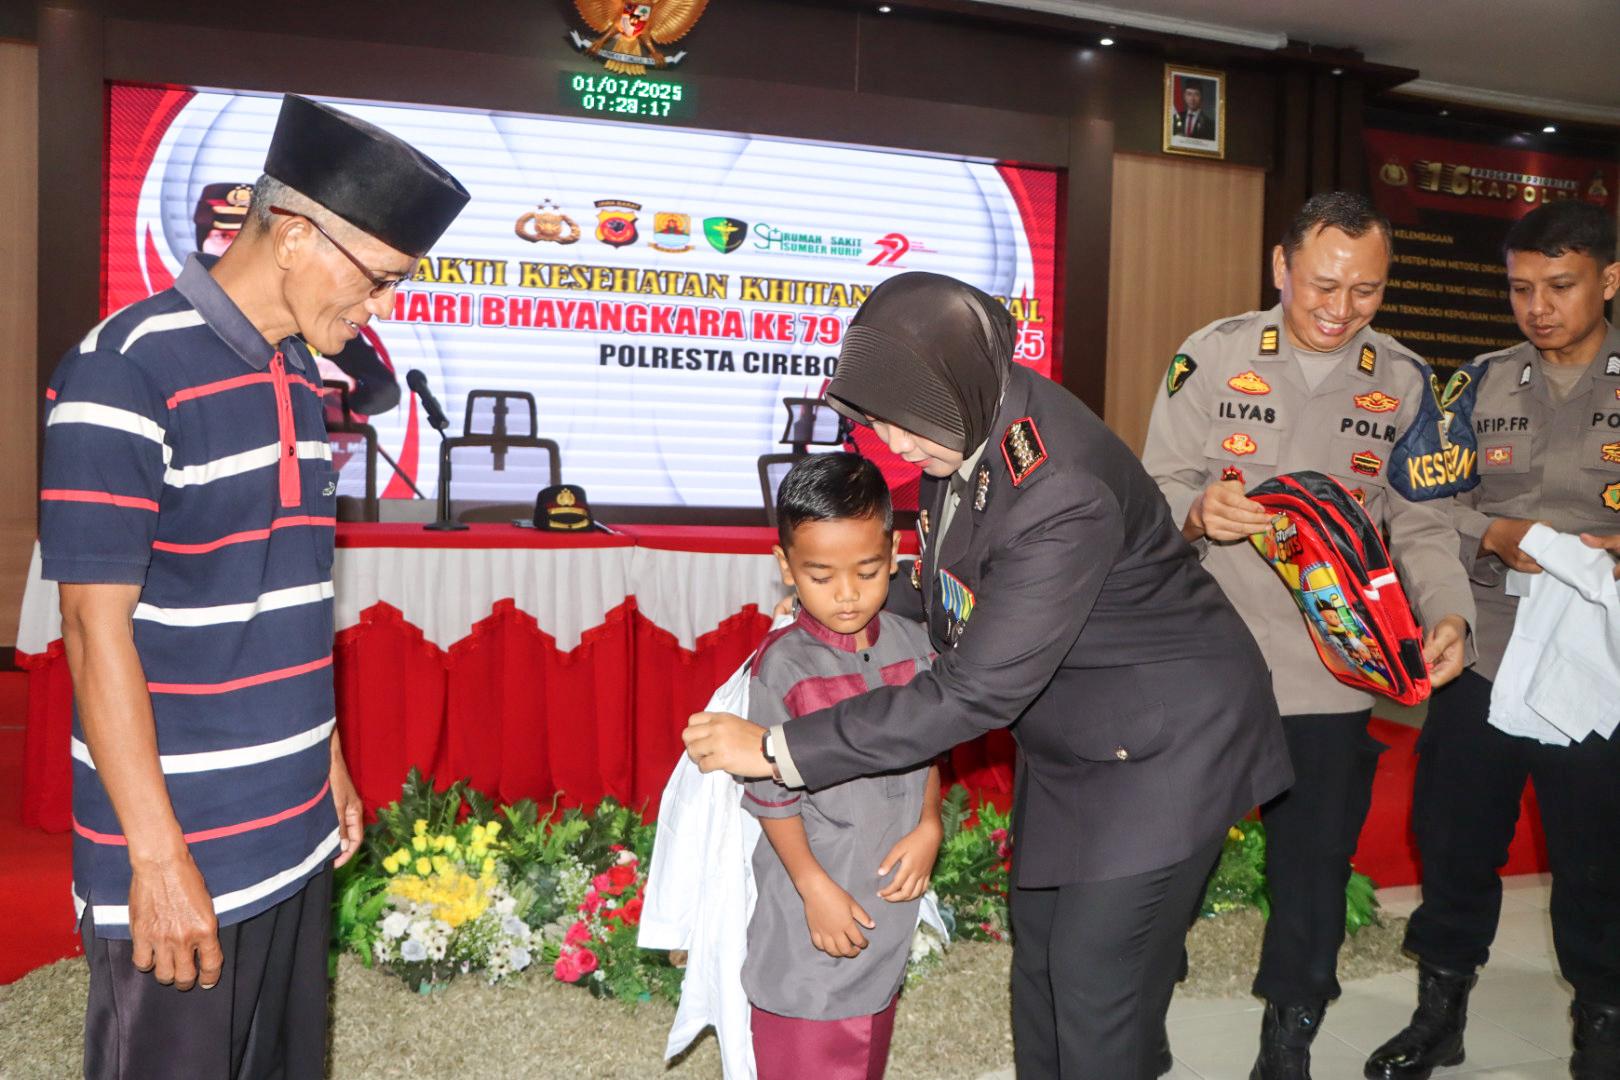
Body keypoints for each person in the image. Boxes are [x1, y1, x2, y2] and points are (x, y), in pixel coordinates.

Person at [684, 271, 1294, 1080]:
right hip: (1080, 731)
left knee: (1094, 987)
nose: (894, 446)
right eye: (878, 423)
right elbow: (958, 580)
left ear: (952, 390)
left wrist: (777, 749)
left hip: (1165, 745)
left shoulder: (1058, 489)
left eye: (903, 424)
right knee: (1038, 964)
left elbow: (975, 690)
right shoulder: (969, 415)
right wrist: (845, 600)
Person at [40, 94, 467, 1079]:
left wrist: (326, 757)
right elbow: (93, 633)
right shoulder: (122, 372)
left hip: (293, 832)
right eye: (379, 279)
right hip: (183, 846)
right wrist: (157, 860)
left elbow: (289, 594)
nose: (381, 308)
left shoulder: (301, 372)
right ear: (296, 235)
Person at [1140, 190, 1476, 1080]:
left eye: (1366, 290)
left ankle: (1288, 1037)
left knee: (1314, 869)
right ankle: (1137, 1011)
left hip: (1331, 668)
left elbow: (1424, 522)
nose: (1341, 308)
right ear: (1281, 267)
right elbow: (1154, 486)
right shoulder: (1212, 356)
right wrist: (1196, 511)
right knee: (1171, 852)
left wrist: (1449, 612)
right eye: (1323, 284)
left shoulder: (1405, 380)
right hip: (1211, 657)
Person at [1364, 201, 1620, 1080]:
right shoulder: (1477, 385)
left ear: (1609, 280)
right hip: (1491, 647)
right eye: (1520, 289)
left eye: (1560, 286)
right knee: (1454, 837)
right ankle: (1441, 1013)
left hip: (1599, 661)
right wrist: (1494, 534)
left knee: (1597, 849)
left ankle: (1603, 1020)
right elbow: (1427, 502)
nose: (1537, 307)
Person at [740, 452, 942, 1080]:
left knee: (868, 1037)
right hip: (817, 897)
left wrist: (929, 823)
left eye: (868, 570)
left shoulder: (913, 644)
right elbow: (770, 795)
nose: (848, 594)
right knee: (809, 1036)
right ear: (786, 567)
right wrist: (812, 887)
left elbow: (931, 745)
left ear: (895, 552)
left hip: (884, 900)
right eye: (822, 575)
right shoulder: (784, 666)